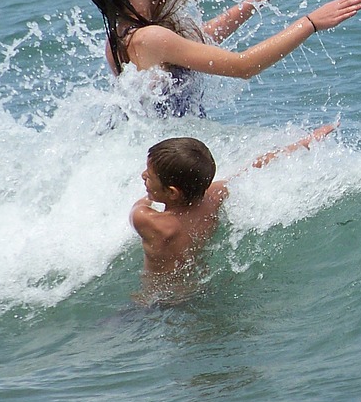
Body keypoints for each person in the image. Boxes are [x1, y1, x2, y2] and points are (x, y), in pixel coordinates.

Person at [82, 0, 361, 117]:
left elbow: (198, 41)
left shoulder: (118, 41)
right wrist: (311, 23)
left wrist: (257, 1)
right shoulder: (151, 38)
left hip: (165, 152)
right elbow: (244, 66)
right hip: (178, 157)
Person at [131, 122, 337, 287]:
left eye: (149, 177)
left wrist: (149, 197)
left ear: (172, 192)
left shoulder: (151, 222)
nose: (143, 176)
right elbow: (251, 169)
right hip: (196, 287)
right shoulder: (213, 197)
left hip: (160, 296)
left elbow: (138, 206)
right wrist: (305, 143)